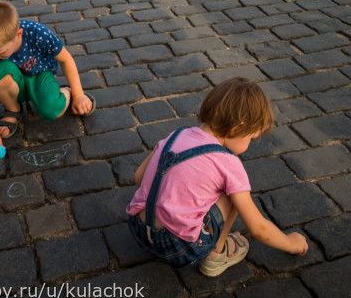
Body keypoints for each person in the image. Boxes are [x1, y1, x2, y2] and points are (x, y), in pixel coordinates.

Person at [127, 77, 308, 275]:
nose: (250, 144)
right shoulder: (228, 163)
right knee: (233, 192)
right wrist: (292, 243)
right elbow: (258, 228)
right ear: (237, 128)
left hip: (138, 229)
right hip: (179, 248)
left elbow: (138, 177)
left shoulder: (176, 135)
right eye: (251, 138)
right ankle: (216, 255)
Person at [0, 0, 95, 159]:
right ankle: (13, 109)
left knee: (51, 109)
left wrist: (78, 94)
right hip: (14, 84)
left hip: (40, 77)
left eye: (0, 52)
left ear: (18, 34)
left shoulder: (37, 33)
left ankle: (65, 93)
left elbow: (66, 59)